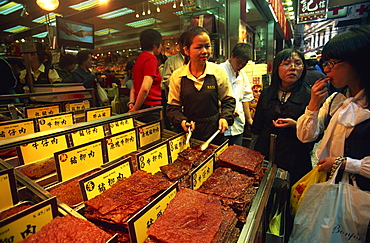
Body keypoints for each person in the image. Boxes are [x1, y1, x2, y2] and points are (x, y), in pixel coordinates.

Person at [297, 26, 370, 192]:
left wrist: (344, 164)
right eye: (325, 63)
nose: (326, 69)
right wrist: (314, 103)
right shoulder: (336, 101)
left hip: (360, 198)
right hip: (332, 190)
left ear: (358, 62)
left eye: (332, 63)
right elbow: (305, 135)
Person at [251, 49, 313, 185]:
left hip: (294, 156)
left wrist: (296, 125)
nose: (292, 68)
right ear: (276, 67)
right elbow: (257, 125)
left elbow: (315, 133)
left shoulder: (309, 95)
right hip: (266, 151)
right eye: (286, 63)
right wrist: (252, 153)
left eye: (298, 63)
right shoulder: (267, 92)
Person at [166, 26, 236, 145]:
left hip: (214, 133)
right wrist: (182, 122)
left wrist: (225, 118)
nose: (204, 51)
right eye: (199, 47)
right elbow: (173, 108)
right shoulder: (178, 76)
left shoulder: (218, 72)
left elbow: (228, 100)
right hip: (189, 133)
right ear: (186, 50)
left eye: (207, 46)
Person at [219, 43, 254, 146]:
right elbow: (211, 98)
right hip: (222, 124)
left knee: (237, 155)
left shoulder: (243, 74)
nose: (240, 66)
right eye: (239, 62)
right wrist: (228, 110)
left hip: (238, 125)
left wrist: (249, 119)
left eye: (244, 64)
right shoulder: (219, 71)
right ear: (232, 55)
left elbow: (246, 98)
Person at [128, 29, 163, 122]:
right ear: (155, 45)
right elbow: (145, 88)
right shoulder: (151, 59)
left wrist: (132, 103)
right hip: (149, 108)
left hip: (139, 104)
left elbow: (134, 85)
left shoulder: (140, 58)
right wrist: (135, 109)